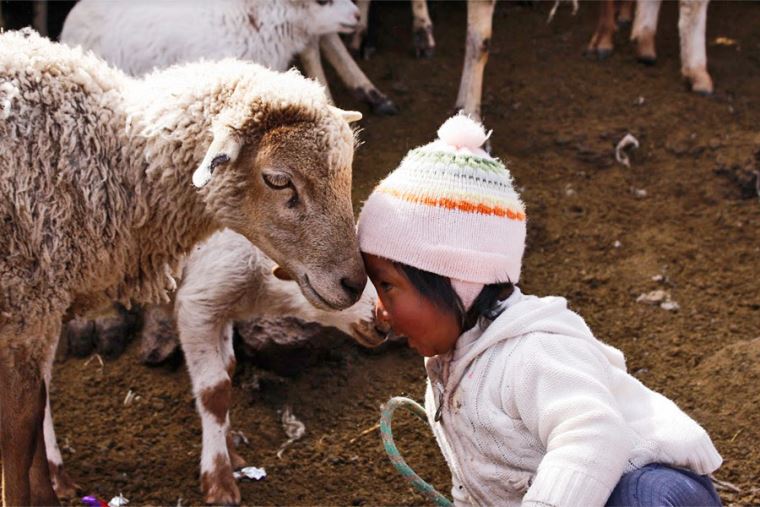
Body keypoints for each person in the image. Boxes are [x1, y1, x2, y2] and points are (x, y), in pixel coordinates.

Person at [357, 114, 723, 506]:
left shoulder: (534, 351)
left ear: (455, 279)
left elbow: (595, 434)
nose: (379, 311)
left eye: (387, 286)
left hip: (656, 487)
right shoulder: (448, 378)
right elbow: (477, 485)